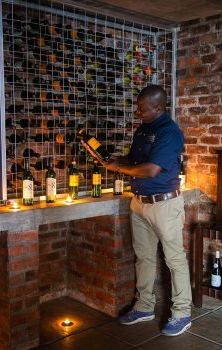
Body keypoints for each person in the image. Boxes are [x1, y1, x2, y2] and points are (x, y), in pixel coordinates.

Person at [85, 85, 192, 336]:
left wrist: (118, 171)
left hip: (165, 205)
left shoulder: (170, 132)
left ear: (158, 107)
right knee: (143, 257)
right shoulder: (143, 128)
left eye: (142, 108)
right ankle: (144, 307)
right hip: (140, 203)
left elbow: (151, 169)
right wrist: (114, 161)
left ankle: (182, 313)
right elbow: (135, 161)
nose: (138, 111)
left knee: (174, 260)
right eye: (138, 106)